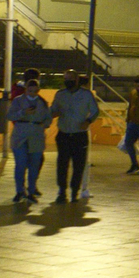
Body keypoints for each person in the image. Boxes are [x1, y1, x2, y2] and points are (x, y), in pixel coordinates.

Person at [49, 68, 100, 203]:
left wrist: (88, 121)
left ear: (77, 80)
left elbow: (95, 111)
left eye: (70, 79)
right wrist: (52, 114)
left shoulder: (86, 95)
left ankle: (74, 191)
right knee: (62, 164)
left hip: (79, 135)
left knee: (79, 165)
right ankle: (61, 191)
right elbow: (53, 110)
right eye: (66, 79)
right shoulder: (60, 95)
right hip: (64, 134)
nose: (68, 82)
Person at [8, 75, 51, 203]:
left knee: (34, 165)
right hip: (21, 134)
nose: (32, 93)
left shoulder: (42, 102)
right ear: (26, 89)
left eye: (35, 91)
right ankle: (19, 191)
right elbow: (9, 115)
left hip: (36, 135)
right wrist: (23, 112)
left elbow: (48, 118)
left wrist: (44, 125)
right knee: (20, 164)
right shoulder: (18, 101)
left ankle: (31, 191)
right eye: (30, 91)